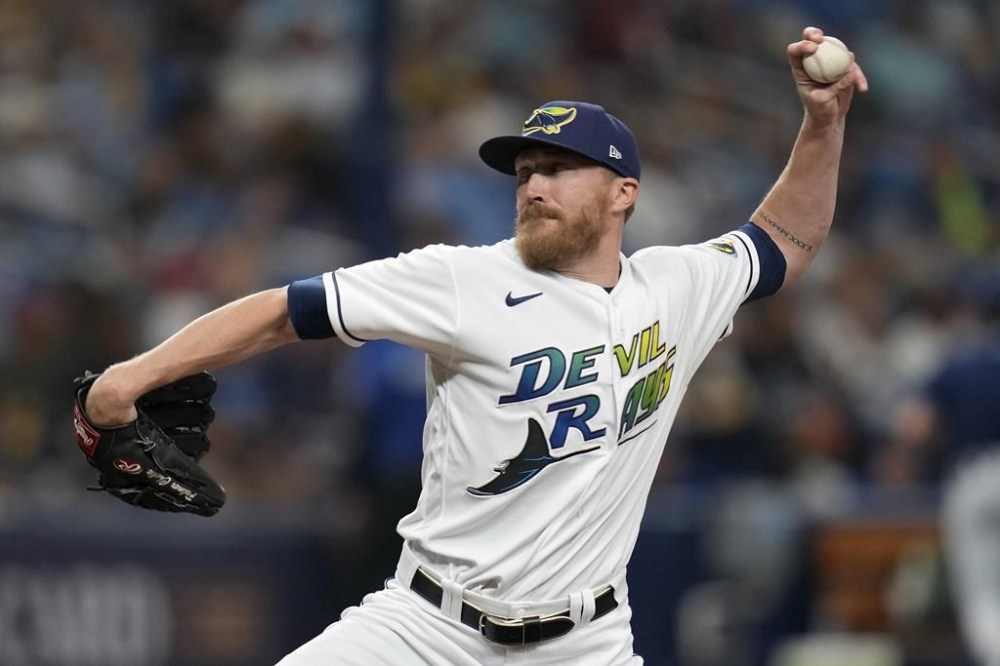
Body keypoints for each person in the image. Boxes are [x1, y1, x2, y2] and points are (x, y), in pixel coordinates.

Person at [79, 27, 867, 666]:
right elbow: (286, 310)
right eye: (525, 170)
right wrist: (129, 378)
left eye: (559, 169)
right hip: (428, 631)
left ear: (624, 192)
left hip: (585, 643)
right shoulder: (462, 280)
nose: (533, 186)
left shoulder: (675, 287)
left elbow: (785, 239)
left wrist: (823, 123)